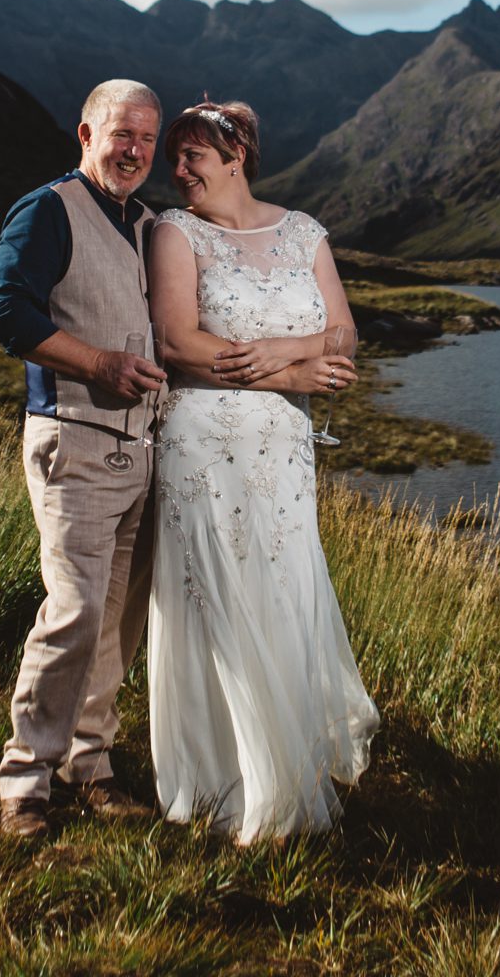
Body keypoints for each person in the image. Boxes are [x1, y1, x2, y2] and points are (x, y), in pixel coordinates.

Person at [147, 99, 379, 843]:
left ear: (236, 153)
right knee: (212, 591)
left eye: (192, 157)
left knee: (281, 584)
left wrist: (288, 351)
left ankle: (290, 757)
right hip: (201, 440)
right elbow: (178, 343)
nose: (176, 171)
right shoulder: (173, 232)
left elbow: (343, 333)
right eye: (174, 158)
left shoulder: (304, 231)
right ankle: (222, 775)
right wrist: (290, 377)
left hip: (282, 448)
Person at [0, 79, 167, 839]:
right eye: (121, 134)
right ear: (85, 133)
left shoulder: (150, 224)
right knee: (74, 611)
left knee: (116, 624)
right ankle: (25, 780)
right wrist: (94, 363)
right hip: (75, 439)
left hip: (142, 453)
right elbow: (3, 311)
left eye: (147, 140)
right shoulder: (48, 209)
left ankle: (90, 765)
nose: (134, 151)